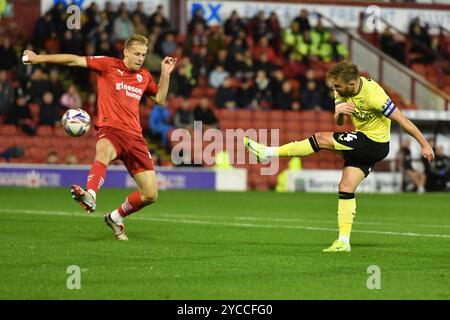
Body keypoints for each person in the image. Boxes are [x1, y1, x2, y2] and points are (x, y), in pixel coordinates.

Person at [244, 61, 434, 252]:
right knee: (346, 187)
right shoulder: (342, 90)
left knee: (320, 139)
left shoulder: (374, 95)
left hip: (375, 143)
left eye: (337, 86)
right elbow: (340, 122)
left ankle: (268, 153)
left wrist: (424, 144)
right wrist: (340, 114)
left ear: (351, 84)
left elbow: (402, 120)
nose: (334, 89)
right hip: (362, 141)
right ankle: (343, 241)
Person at [22, 34, 177, 240]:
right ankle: (90, 195)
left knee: (150, 194)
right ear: (126, 52)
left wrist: (165, 74)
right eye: (137, 53)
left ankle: (115, 217)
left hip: (135, 138)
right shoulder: (107, 65)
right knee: (103, 153)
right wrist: (39, 58)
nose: (141, 58)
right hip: (110, 129)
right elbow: (74, 60)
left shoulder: (144, 76)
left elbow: (159, 99)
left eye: (144, 54)